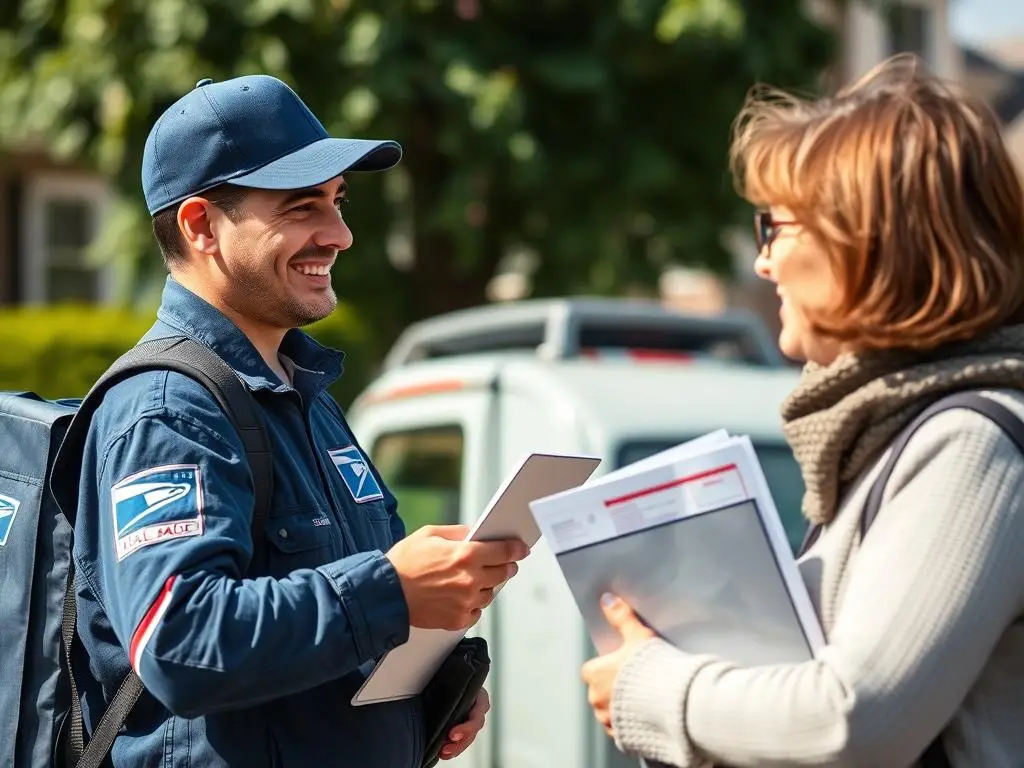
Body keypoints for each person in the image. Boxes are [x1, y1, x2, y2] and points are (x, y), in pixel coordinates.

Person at [71, 74, 528, 767]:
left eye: (338, 202)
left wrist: (435, 678)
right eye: (302, 207)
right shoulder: (166, 409)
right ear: (201, 226)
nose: (339, 234)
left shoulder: (305, 394)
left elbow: (334, 629)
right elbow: (179, 643)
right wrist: (391, 590)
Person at [581, 54, 1024, 767]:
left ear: (868, 244)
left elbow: (856, 719)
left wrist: (653, 688)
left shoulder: (969, 441)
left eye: (775, 228)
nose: (764, 264)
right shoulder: (888, 434)